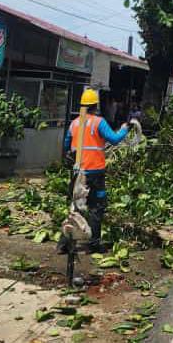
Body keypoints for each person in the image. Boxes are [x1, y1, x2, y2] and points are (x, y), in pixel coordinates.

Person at [61, 88, 130, 253]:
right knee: (96, 207)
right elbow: (114, 140)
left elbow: (66, 145)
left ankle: (64, 244)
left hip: (78, 172)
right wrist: (124, 129)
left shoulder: (75, 123)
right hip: (95, 172)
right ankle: (93, 244)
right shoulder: (99, 122)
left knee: (75, 206)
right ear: (95, 105)